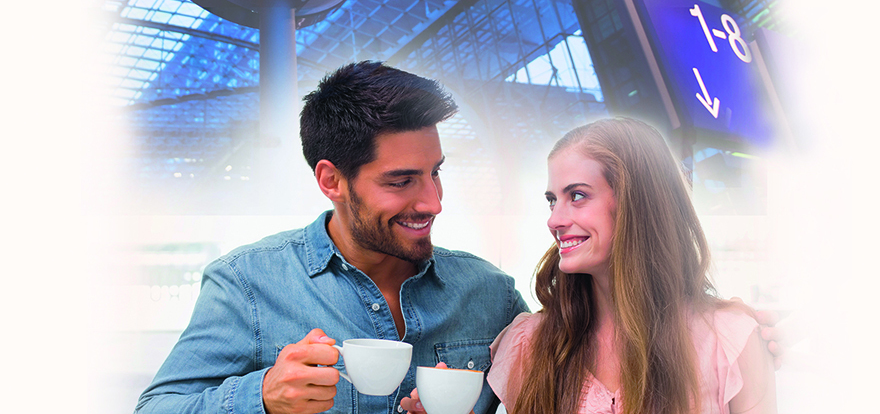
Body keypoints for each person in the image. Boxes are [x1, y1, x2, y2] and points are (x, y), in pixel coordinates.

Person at [134, 61, 530, 414]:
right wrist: (264, 397)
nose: (433, 203)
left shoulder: (491, 293)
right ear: (332, 180)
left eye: (435, 173)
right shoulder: (246, 283)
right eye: (401, 181)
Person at [484, 117, 776, 414]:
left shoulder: (730, 342)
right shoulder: (530, 345)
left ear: (636, 201)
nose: (554, 220)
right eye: (552, 200)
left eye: (577, 196)